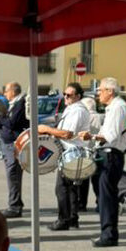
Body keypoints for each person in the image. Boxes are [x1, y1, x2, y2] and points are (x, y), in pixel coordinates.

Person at [80, 77, 126, 247]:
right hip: (107, 154)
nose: (98, 94)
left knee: (107, 197)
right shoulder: (113, 108)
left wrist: (91, 136)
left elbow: (111, 135)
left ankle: (109, 235)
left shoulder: (118, 108)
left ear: (110, 91)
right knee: (104, 197)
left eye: (101, 90)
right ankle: (107, 233)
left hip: (111, 154)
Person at [39, 82, 90, 231]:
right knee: (71, 189)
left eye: (69, 95)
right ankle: (72, 219)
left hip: (71, 153)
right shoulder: (72, 108)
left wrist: (47, 129)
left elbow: (67, 134)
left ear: (78, 96)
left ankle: (64, 220)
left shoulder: (77, 111)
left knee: (61, 188)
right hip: (72, 152)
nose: (66, 97)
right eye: (64, 94)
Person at [0, 82, 28, 218]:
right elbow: (7, 123)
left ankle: (15, 206)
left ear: (13, 91)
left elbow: (11, 123)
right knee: (12, 175)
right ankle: (15, 203)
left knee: (13, 175)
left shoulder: (20, 104)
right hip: (8, 144)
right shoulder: (14, 104)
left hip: (14, 144)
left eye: (6, 91)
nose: (5, 94)